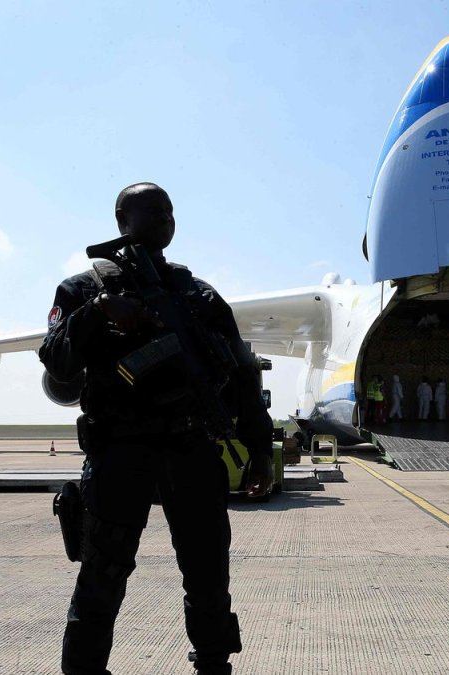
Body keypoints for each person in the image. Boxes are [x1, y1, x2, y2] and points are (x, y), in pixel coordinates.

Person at [40, 182, 273, 675]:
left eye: (169, 211)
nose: (165, 219)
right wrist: (98, 313)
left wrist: (258, 447)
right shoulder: (84, 290)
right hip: (120, 448)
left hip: (190, 444)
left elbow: (243, 373)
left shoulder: (198, 295)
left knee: (208, 568)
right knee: (103, 572)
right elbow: (57, 361)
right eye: (151, 211)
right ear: (121, 221)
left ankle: (214, 663)